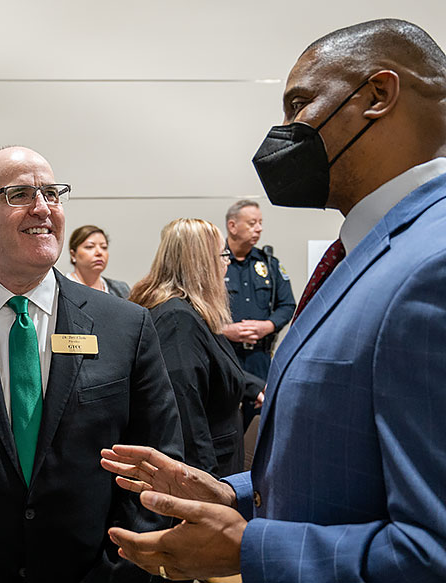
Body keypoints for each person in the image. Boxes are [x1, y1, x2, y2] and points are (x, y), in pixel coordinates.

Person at [100, 18, 446, 582]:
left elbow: (434, 551)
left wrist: (250, 549)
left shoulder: (433, 264)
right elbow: (348, 465)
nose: (285, 131)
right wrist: (231, 492)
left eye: (300, 104)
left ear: (378, 96)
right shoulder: (368, 251)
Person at [0, 146, 183, 583]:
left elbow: (157, 464)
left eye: (53, 194)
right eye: (19, 194)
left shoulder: (126, 325)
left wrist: (120, 570)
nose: (43, 208)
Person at [131, 218, 261, 478]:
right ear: (201, 262)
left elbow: (212, 366)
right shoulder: (178, 320)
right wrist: (204, 488)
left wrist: (255, 387)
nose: (228, 262)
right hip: (207, 469)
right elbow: (186, 416)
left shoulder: (186, 311)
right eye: (223, 254)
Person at [223, 200, 295, 427]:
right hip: (225, 356)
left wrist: (269, 326)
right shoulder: (215, 262)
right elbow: (197, 307)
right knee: (226, 421)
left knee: (261, 424)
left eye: (261, 223)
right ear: (232, 226)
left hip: (260, 358)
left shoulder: (269, 264)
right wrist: (225, 330)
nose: (259, 228)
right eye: (252, 223)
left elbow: (287, 305)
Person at [66, 224, 130, 298]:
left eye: (104, 247)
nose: (99, 252)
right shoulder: (61, 288)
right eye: (90, 247)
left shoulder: (120, 289)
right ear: (73, 255)